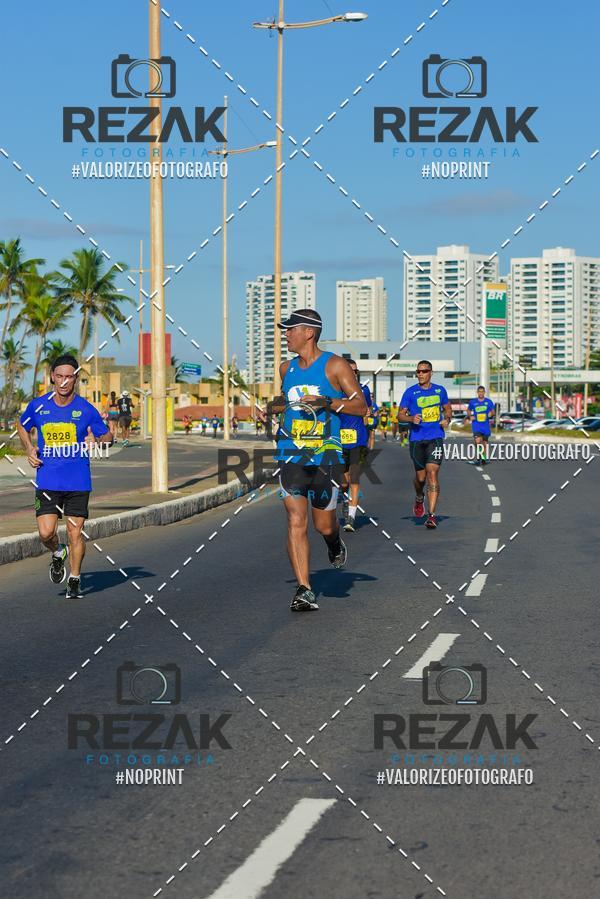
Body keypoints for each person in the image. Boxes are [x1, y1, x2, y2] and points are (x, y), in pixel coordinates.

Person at [264, 309, 367, 612]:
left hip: (325, 454)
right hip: (291, 453)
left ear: (308, 332)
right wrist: (272, 408)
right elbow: (287, 402)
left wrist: (328, 402)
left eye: (290, 329)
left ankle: (334, 541)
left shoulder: (335, 365)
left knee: (324, 525)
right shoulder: (286, 368)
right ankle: (304, 589)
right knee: (295, 520)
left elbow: (361, 407)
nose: (286, 334)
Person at [16, 354, 113, 598]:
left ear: (75, 379)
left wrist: (100, 439)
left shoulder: (86, 409)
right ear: (52, 377)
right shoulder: (38, 406)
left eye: (69, 377)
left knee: (75, 532)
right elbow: (22, 425)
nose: (64, 381)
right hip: (47, 480)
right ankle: (58, 552)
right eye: (59, 376)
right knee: (45, 533)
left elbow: (106, 437)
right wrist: (29, 448)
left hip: (77, 480)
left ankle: (75, 578)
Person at [398, 360, 452, 530]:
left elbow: (447, 409)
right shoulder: (410, 392)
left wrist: (447, 419)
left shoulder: (440, 390)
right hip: (417, 439)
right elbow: (400, 415)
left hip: (435, 437)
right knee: (420, 479)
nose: (420, 374)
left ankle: (431, 515)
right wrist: (410, 418)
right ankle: (419, 496)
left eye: (424, 371)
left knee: (432, 474)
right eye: (418, 371)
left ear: (431, 373)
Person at [338, 360, 372, 533]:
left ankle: (351, 518)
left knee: (354, 478)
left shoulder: (363, 390)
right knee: (343, 483)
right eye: (350, 370)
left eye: (355, 371)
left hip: (358, 440)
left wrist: (368, 418)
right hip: (339, 440)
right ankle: (345, 500)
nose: (353, 373)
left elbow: (368, 411)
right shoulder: (336, 390)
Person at [468, 386, 495, 464]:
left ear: (484, 392)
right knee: (477, 441)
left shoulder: (488, 402)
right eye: (479, 391)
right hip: (476, 425)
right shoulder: (473, 402)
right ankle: (480, 455)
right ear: (477, 392)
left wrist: (491, 414)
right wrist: (470, 416)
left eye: (482, 391)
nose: (481, 393)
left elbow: (493, 412)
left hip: (485, 426)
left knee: (484, 443)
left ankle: (483, 457)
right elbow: (469, 410)